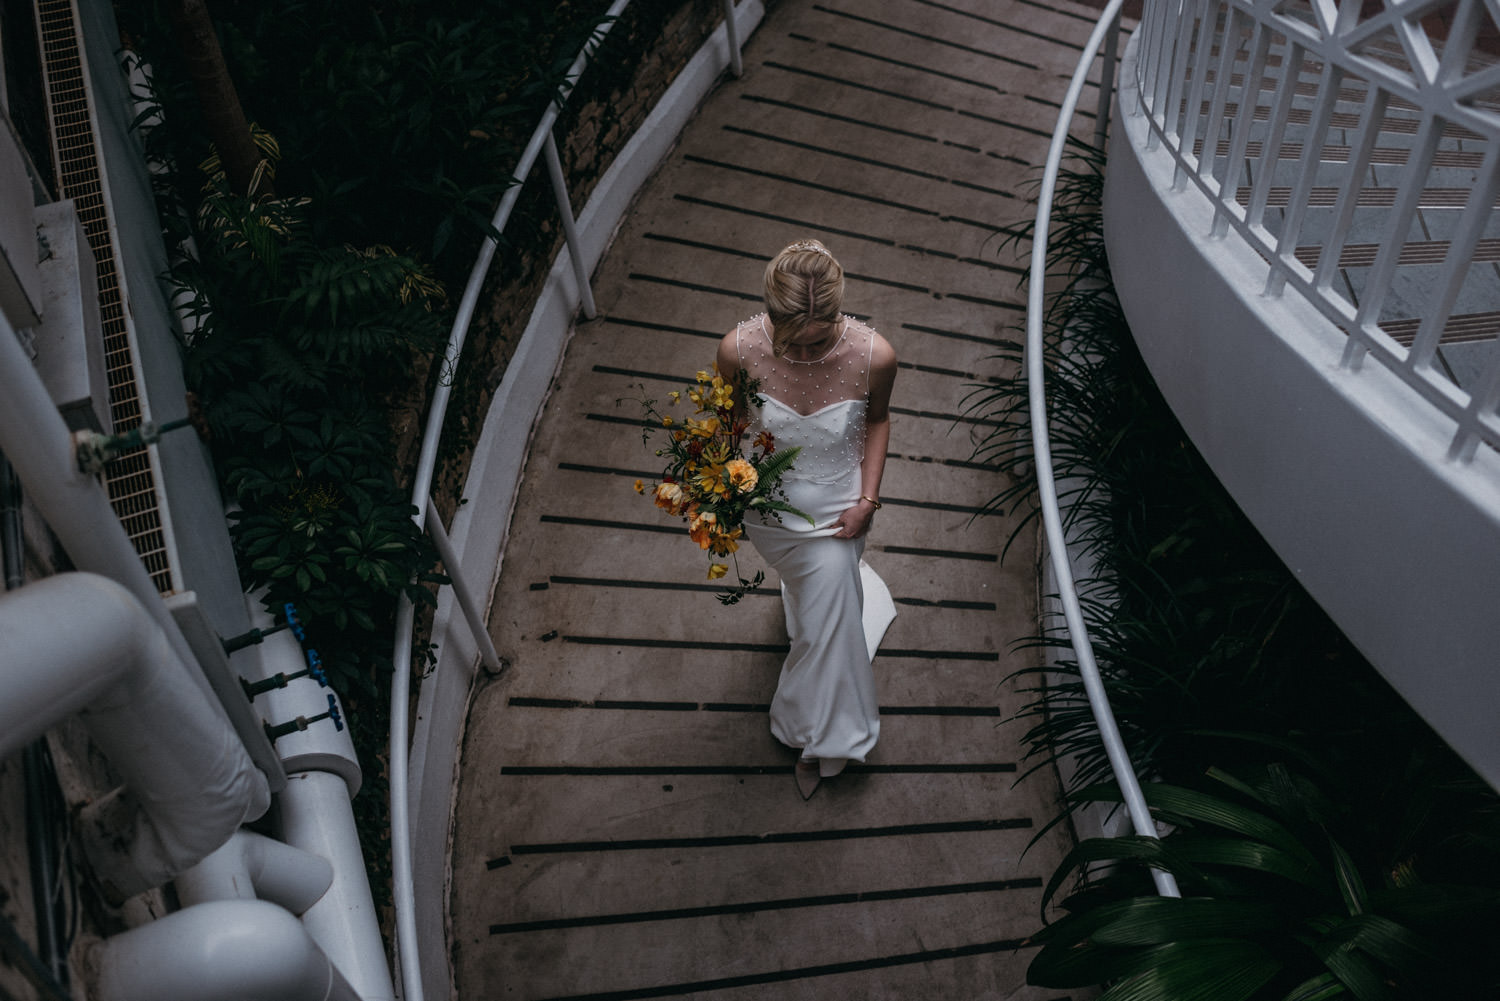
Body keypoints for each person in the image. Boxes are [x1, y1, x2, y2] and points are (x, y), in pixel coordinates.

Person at [716, 239, 898, 800]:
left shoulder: (876, 355)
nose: (803, 351)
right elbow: (731, 422)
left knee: (823, 631)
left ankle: (822, 739)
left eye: (818, 339)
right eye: (792, 338)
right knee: (817, 608)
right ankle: (817, 625)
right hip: (768, 511)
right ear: (770, 315)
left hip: (837, 516)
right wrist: (723, 489)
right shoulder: (736, 348)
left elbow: (878, 422)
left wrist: (867, 502)